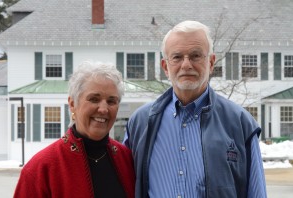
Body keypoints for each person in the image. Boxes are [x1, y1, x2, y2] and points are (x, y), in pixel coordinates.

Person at [124, 20, 267, 198]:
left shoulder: (239, 122)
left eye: (195, 56)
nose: (186, 65)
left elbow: (256, 192)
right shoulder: (141, 122)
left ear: (211, 62)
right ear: (165, 67)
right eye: (177, 57)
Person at [14, 61, 135, 198]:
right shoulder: (41, 168)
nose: (103, 109)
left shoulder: (127, 160)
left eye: (111, 101)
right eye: (94, 99)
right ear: (72, 104)